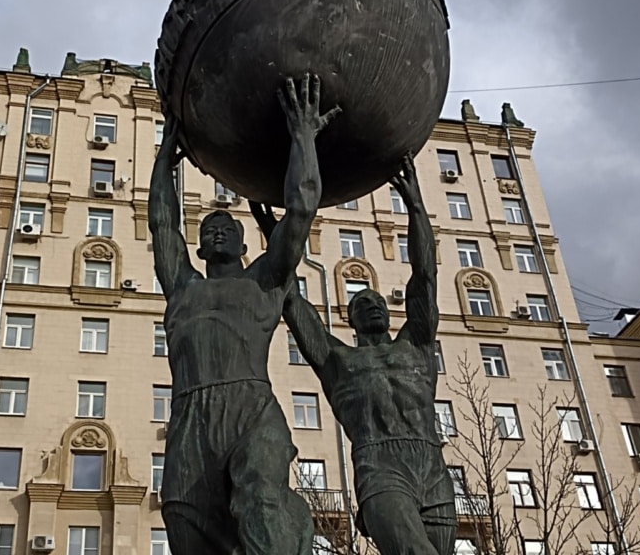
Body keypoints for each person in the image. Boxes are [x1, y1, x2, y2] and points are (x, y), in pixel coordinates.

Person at [149, 75, 341, 554]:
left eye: (227, 226)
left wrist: (302, 136)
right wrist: (163, 156)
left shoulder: (265, 279)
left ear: (243, 242)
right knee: (184, 524)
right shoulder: (182, 285)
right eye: (209, 227)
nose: (217, 231)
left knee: (262, 501)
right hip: (190, 416)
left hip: (251, 408)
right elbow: (161, 222)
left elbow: (299, 211)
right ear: (198, 244)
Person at [252, 154, 456, 555]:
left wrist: (415, 208)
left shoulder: (416, 344)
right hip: (380, 469)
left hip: (433, 467)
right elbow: (293, 303)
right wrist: (277, 235)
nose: (373, 305)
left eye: (377, 300)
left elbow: (424, 275)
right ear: (350, 319)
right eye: (362, 303)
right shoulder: (338, 361)